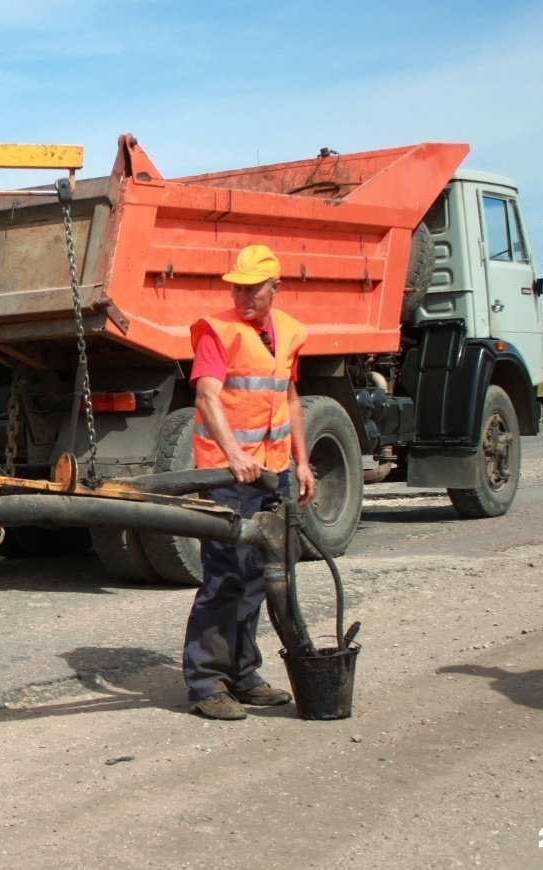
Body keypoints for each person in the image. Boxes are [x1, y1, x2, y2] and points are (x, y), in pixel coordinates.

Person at [183, 244, 317, 721]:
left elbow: (291, 399)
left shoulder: (289, 333)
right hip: (227, 474)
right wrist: (234, 454)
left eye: (252, 288)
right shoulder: (219, 333)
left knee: (260, 576)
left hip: (272, 471)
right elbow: (207, 396)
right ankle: (205, 683)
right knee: (224, 577)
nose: (242, 296)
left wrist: (302, 462)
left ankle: (243, 674)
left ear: (274, 288)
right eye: (236, 287)